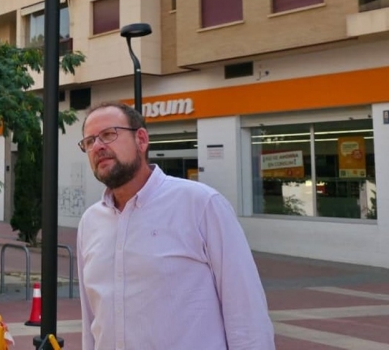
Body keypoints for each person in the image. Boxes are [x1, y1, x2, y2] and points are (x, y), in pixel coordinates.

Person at [76, 102, 275, 350]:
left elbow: (246, 312)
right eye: (89, 141)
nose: (98, 146)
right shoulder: (91, 222)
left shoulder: (201, 204)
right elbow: (91, 320)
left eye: (108, 134)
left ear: (141, 139)